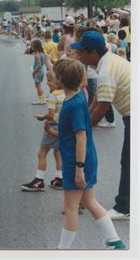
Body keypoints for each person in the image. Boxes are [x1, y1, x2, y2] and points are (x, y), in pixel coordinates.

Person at [48, 58, 126, 249]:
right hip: (86, 159)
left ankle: (63, 250)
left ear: (60, 80)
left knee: (70, 208)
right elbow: (72, 134)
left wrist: (78, 169)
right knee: (90, 201)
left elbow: (80, 137)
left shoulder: (72, 105)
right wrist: (52, 132)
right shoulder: (78, 97)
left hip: (77, 162)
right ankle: (115, 241)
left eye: (55, 74)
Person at [71, 30, 130, 221]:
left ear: (93, 53)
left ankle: (124, 207)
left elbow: (103, 106)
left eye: (82, 52)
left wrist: (84, 130)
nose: (79, 55)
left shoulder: (105, 70)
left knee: (128, 161)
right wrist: (84, 122)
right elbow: (97, 99)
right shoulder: (108, 60)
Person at [22, 71, 64, 192]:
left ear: (57, 82)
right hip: (61, 126)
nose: (47, 82)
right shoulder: (65, 94)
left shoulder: (53, 95)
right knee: (58, 152)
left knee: (42, 152)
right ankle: (59, 178)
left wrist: (42, 117)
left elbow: (50, 115)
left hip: (52, 126)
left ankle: (39, 180)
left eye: (49, 80)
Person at [31, 40, 46, 105]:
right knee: (39, 86)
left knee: (38, 86)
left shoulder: (37, 55)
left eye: (32, 45)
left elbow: (39, 65)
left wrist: (33, 72)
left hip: (38, 72)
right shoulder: (42, 53)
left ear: (35, 46)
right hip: (41, 71)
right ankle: (43, 99)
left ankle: (40, 100)